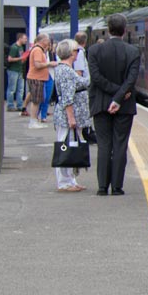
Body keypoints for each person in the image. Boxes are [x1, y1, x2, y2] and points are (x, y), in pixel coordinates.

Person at [88, 14, 140, 196]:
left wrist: (112, 96)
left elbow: (96, 78)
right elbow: (131, 80)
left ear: (108, 29)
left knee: (103, 145)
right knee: (120, 145)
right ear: (124, 30)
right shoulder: (133, 52)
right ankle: (117, 187)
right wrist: (119, 97)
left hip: (101, 105)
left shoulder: (94, 51)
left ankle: (102, 186)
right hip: (124, 106)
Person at [53, 39, 90, 192]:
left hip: (69, 115)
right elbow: (68, 96)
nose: (78, 53)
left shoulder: (64, 69)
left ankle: (71, 180)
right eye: (76, 51)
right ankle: (64, 182)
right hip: (67, 116)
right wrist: (71, 118)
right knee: (65, 146)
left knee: (71, 145)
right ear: (71, 53)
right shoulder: (66, 71)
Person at [26, 33, 57, 129]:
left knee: (38, 99)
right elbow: (38, 65)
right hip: (36, 78)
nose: (49, 42)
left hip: (38, 78)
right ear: (43, 41)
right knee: (36, 100)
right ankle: (33, 120)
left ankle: (35, 119)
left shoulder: (38, 49)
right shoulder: (38, 50)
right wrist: (49, 64)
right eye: (47, 40)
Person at [74, 31, 97, 144]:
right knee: (80, 119)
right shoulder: (79, 53)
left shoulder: (78, 52)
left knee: (81, 118)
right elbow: (78, 72)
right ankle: (77, 143)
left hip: (81, 89)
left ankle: (80, 139)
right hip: (81, 90)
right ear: (85, 41)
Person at [6, 33, 27, 111]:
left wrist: (23, 59)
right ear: (20, 38)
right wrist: (20, 58)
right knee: (12, 89)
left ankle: (19, 105)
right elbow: (10, 59)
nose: (26, 40)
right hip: (13, 70)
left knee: (20, 89)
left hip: (20, 70)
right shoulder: (14, 47)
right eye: (24, 38)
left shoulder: (21, 47)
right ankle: (10, 105)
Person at [39, 39, 56, 122]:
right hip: (42, 76)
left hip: (50, 75)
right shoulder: (40, 52)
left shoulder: (52, 54)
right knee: (42, 96)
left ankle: (43, 115)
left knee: (47, 97)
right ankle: (37, 114)